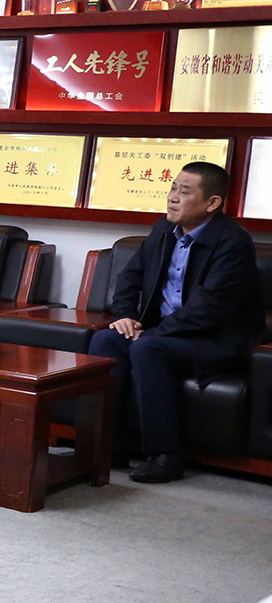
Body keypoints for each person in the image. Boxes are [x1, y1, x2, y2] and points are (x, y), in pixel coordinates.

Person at [87, 162, 264, 484]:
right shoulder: (164, 229)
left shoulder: (233, 242)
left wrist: (151, 334)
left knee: (148, 349)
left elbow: (207, 309)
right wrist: (125, 316)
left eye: (184, 191)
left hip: (216, 339)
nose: (172, 197)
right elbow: (129, 277)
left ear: (212, 203)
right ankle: (106, 445)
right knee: (105, 340)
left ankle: (166, 456)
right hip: (166, 331)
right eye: (172, 188)